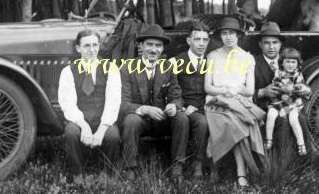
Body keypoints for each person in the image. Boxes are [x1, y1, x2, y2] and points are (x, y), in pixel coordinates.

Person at [120, 24, 189, 181]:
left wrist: (174, 105)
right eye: (149, 45)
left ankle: (178, 166)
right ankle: (130, 167)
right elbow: (122, 103)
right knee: (130, 120)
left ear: (162, 48)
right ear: (141, 46)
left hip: (162, 119)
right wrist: (144, 109)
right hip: (141, 120)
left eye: (158, 46)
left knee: (182, 118)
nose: (153, 50)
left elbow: (177, 95)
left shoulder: (168, 67)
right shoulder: (127, 68)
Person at [204, 17, 265, 187]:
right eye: (224, 33)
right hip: (216, 102)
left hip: (239, 102)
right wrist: (224, 91)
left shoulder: (247, 58)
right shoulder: (212, 56)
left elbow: (249, 91)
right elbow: (208, 87)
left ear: (238, 35)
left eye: (232, 33)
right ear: (220, 36)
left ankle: (234, 170)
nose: (228, 37)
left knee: (239, 121)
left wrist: (234, 92)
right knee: (235, 123)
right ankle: (241, 172)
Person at [58, 29, 121, 183]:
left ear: (99, 46)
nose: (91, 50)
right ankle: (77, 174)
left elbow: (114, 100)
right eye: (86, 46)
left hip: (102, 118)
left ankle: (107, 174)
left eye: (95, 45)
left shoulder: (110, 68)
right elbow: (67, 103)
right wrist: (83, 126)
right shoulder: (68, 71)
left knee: (113, 136)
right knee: (71, 133)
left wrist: (102, 128)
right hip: (80, 119)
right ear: (78, 48)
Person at [254, 21, 314, 162]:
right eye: (266, 43)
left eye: (275, 42)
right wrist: (262, 92)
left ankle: (302, 163)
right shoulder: (253, 63)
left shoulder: (290, 62)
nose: (271, 47)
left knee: (299, 119)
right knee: (280, 120)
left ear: (280, 45)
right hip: (266, 107)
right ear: (260, 45)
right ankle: (278, 166)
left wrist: (305, 90)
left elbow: (303, 85)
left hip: (290, 105)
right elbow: (246, 90)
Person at [170, 22, 211, 179]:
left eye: (205, 40)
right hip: (185, 107)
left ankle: (199, 162)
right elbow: (172, 89)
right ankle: (180, 164)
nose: (201, 43)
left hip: (206, 107)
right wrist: (183, 106)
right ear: (189, 41)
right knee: (191, 121)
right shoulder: (176, 61)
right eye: (197, 39)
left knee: (203, 121)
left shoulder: (211, 61)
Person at [264, 47, 311, 156]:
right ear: (282, 63)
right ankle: (269, 140)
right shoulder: (278, 73)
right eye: (288, 62)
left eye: (293, 62)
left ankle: (301, 144)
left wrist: (291, 89)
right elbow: (275, 84)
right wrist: (280, 87)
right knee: (271, 115)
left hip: (293, 104)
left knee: (293, 119)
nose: (290, 65)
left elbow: (297, 90)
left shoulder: (298, 75)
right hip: (278, 103)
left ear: (298, 63)